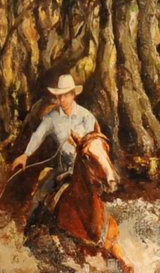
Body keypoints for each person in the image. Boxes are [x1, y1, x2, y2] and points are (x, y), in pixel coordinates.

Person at [13, 69, 100, 234]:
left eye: (66, 95)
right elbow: (38, 134)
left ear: (74, 95)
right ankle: (29, 234)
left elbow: (93, 141)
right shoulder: (52, 117)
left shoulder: (86, 116)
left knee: (97, 195)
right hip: (63, 168)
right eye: (60, 96)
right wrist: (26, 154)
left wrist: (79, 142)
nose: (62, 99)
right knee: (40, 196)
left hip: (85, 169)